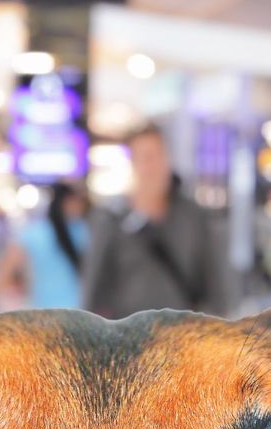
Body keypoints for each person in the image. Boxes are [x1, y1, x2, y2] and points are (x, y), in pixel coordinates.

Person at [82, 124, 231, 319]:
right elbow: (94, 289)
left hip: (184, 337)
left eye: (158, 155)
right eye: (145, 158)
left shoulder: (194, 218)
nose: (153, 166)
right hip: (129, 340)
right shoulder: (110, 220)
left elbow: (215, 286)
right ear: (133, 163)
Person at [0, 183, 90, 311]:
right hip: (76, 310)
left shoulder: (35, 231)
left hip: (43, 311)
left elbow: (6, 268)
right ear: (67, 202)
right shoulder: (82, 231)